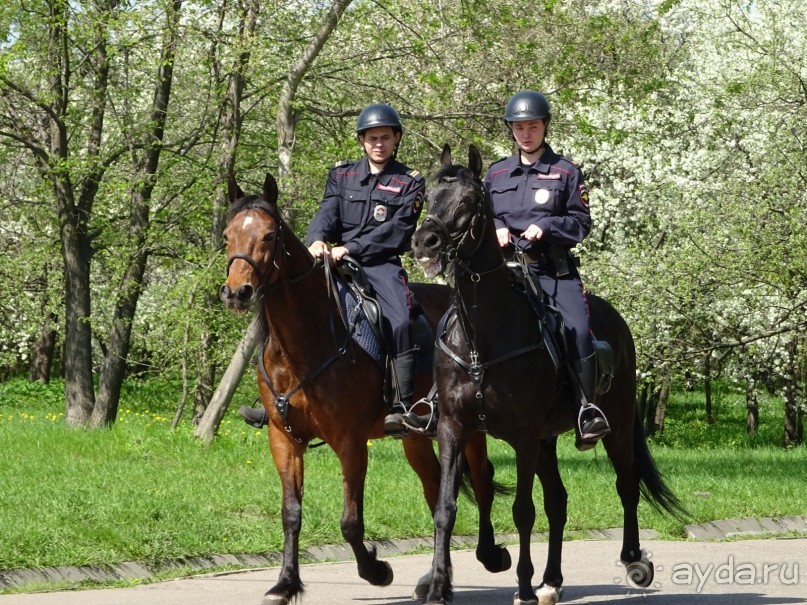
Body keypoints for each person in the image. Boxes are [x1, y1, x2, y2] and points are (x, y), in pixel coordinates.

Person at [239, 103, 426, 433]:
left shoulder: (410, 182)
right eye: (371, 138)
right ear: (362, 141)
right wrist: (317, 240)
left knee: (400, 320)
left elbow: (396, 232)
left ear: (396, 138)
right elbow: (327, 213)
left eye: (385, 137)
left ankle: (403, 404)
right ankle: (274, 399)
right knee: (283, 312)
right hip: (330, 262)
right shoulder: (342, 175)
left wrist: (349, 248)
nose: (378, 143)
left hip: (379, 266)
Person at [483, 90, 610, 450]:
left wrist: (549, 227)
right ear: (511, 130)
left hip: (552, 272)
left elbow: (581, 222)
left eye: (533, 126)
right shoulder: (496, 173)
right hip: (506, 274)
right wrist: (495, 228)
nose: (526, 133)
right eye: (519, 127)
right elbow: (481, 217)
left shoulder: (565, 171)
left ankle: (587, 409)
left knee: (579, 330)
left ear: (545, 127)